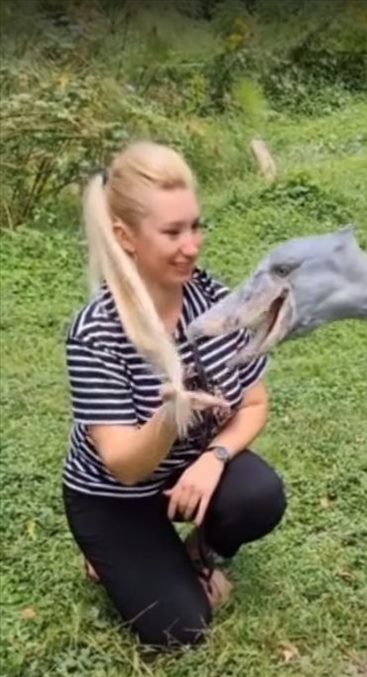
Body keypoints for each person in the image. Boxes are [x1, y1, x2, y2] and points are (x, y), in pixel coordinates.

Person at [62, 141, 287, 649]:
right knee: (180, 630)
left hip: (186, 478)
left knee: (259, 495)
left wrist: (215, 457)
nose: (192, 245)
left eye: (195, 226)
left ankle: (190, 555)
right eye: (172, 232)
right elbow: (124, 466)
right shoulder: (97, 332)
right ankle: (112, 554)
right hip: (114, 498)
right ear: (126, 237)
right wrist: (170, 415)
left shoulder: (215, 302)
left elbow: (254, 404)